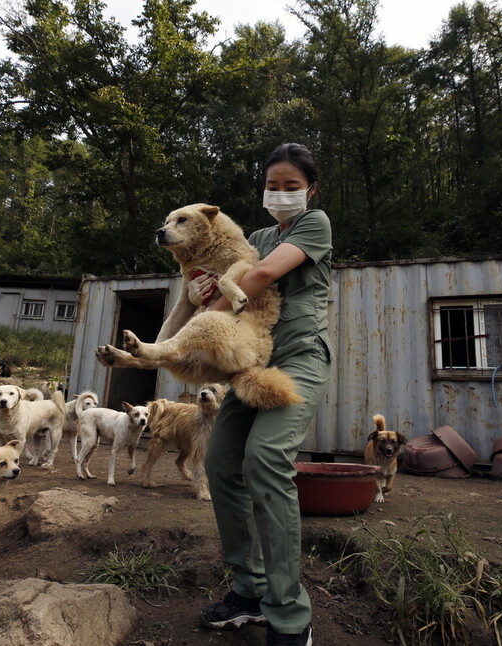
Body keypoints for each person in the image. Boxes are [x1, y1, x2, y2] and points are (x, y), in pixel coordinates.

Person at [194, 142, 332, 646]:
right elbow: (207, 280)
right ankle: (248, 589)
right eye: (273, 185)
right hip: (251, 364)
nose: (280, 194)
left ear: (310, 190)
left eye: (291, 186)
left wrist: (212, 289)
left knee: (266, 457)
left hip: (300, 359)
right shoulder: (255, 235)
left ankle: (290, 616)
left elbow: (257, 275)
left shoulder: (315, 225)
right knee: (221, 462)